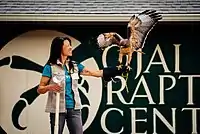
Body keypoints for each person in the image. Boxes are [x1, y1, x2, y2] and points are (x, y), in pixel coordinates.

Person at [37, 36, 126, 134]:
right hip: (57, 109)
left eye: (70, 45)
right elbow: (40, 89)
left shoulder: (74, 66)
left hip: (74, 109)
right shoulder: (50, 67)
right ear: (59, 48)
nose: (71, 47)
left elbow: (94, 73)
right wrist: (49, 87)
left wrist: (116, 70)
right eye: (67, 45)